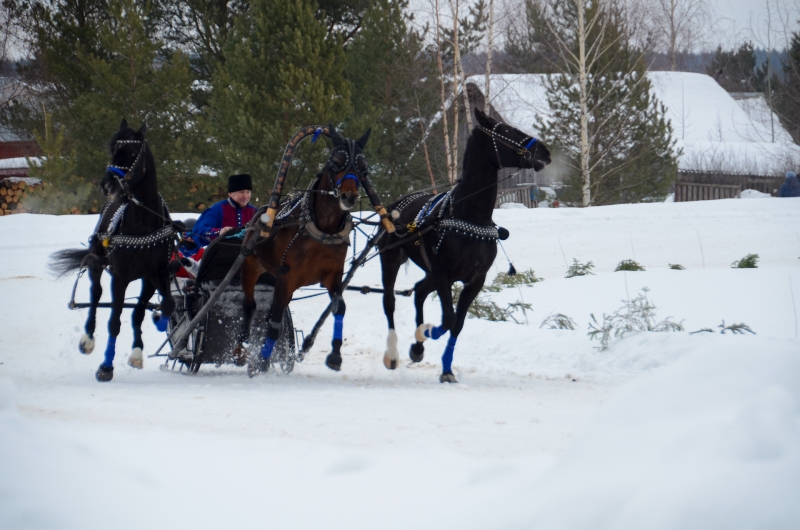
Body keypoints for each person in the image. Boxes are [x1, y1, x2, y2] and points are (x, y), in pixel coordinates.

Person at [192, 173, 258, 246]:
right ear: (230, 193)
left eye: (248, 192)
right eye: (241, 192)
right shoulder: (218, 209)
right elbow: (197, 231)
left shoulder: (255, 211)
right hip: (222, 254)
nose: (245, 196)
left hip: (251, 255)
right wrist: (219, 232)